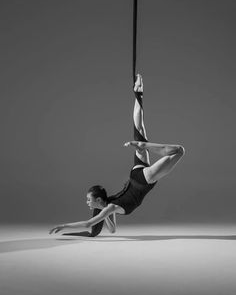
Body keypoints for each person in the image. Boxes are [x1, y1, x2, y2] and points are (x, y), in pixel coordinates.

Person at [49, 74, 185, 236]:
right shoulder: (109, 207)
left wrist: (65, 225)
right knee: (139, 129)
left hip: (143, 180)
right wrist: (101, 213)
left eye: (88, 200)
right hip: (135, 176)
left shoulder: (111, 207)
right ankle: (138, 93)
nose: (87, 202)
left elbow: (88, 224)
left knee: (179, 150)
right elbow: (112, 230)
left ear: (99, 200)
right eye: (88, 200)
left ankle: (144, 145)